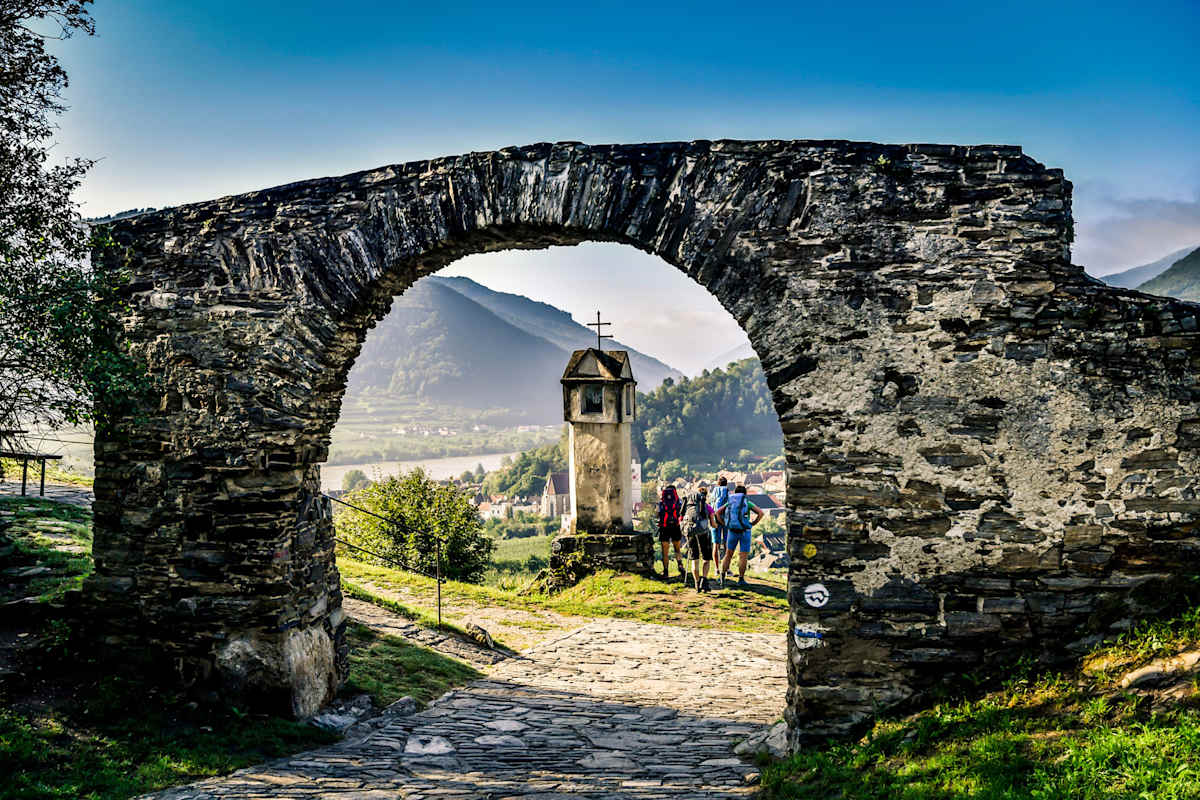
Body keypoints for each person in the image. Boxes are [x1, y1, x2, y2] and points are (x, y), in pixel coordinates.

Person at [715, 484, 764, 589]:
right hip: (745, 531)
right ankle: (741, 579)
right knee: (743, 556)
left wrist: (724, 523)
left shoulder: (730, 502)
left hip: (732, 530)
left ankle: (722, 576)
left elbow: (718, 512)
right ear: (745, 494)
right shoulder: (747, 503)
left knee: (728, 554)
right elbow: (760, 513)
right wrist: (752, 523)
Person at [682, 486, 716, 592]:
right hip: (704, 533)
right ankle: (704, 581)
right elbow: (713, 524)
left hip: (691, 532)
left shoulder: (689, 507)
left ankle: (697, 584)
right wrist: (717, 526)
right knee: (706, 558)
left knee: (695, 560)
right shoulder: (708, 507)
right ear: (705, 496)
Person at [656, 484, 686, 580]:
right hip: (675, 527)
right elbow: (681, 513)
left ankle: (665, 572)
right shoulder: (678, 501)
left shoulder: (662, 502)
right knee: (677, 548)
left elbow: (657, 514)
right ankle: (680, 565)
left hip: (664, 527)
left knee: (665, 551)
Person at [711, 477, 730, 570]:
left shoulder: (714, 492)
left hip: (714, 519)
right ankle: (726, 568)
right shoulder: (726, 491)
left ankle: (716, 568)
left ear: (717, 483)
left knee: (716, 545)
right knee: (726, 544)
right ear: (726, 484)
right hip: (725, 519)